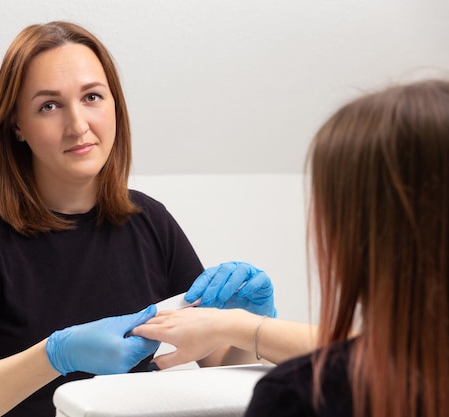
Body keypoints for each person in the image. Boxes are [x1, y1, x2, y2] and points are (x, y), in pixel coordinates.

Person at [0, 21, 275, 417]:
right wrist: (53, 357)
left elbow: (221, 366)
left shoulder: (151, 222)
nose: (78, 126)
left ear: (115, 105)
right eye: (49, 106)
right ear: (17, 126)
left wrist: (249, 326)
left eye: (92, 97)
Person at [134, 79, 449, 417]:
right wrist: (239, 327)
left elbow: (375, 355)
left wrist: (239, 327)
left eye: (93, 96)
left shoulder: (297, 396)